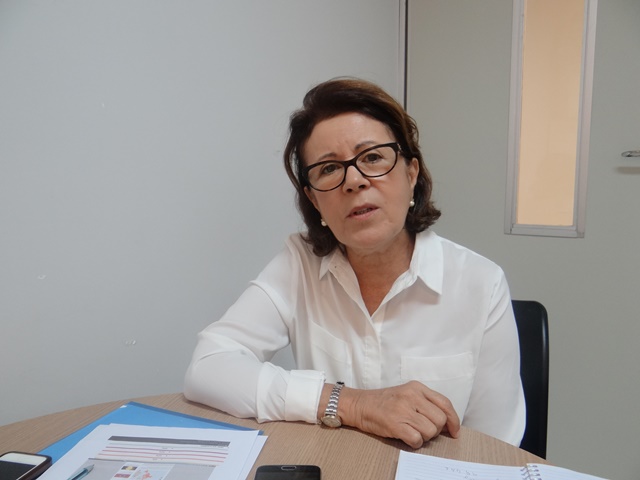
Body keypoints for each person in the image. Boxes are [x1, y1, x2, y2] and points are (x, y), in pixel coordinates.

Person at [184, 77, 525, 448]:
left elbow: (495, 448)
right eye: (329, 169)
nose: (354, 181)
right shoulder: (299, 264)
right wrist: (350, 403)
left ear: (411, 174)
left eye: (373, 158)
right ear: (314, 201)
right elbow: (207, 366)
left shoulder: (481, 283)